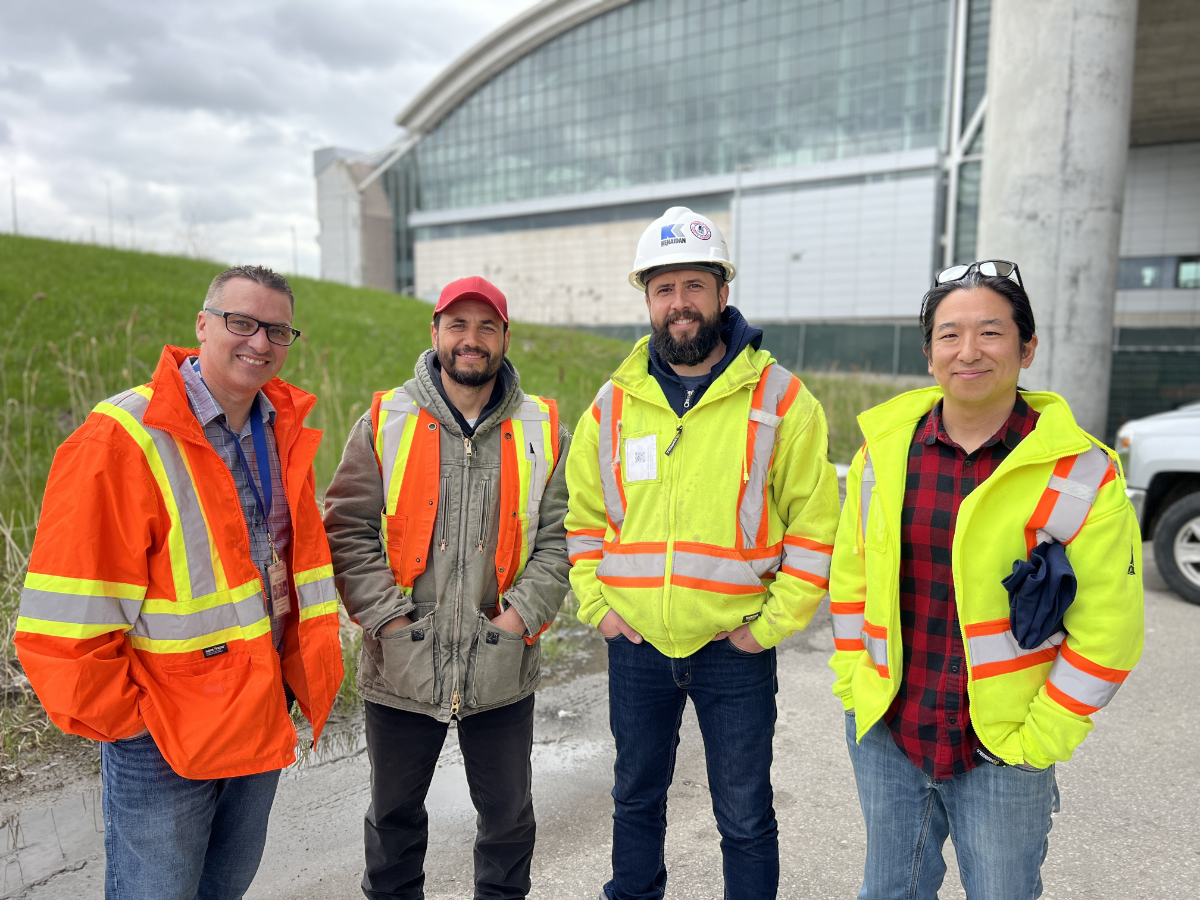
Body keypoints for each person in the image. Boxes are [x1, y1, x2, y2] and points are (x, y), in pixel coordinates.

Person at [14, 265, 344, 899]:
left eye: (277, 330)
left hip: (260, 705)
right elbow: (64, 613)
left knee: (225, 887)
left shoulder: (280, 428)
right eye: (241, 322)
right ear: (202, 325)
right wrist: (133, 723)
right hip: (165, 730)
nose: (259, 342)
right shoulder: (121, 436)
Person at [829, 260, 1144, 900]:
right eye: (949, 335)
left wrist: (1041, 738)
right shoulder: (882, 454)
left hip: (1004, 748)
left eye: (991, 333)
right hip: (891, 732)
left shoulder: (1082, 472)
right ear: (929, 354)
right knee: (889, 890)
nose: (968, 351)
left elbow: (1110, 633)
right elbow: (852, 579)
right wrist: (854, 687)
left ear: (1027, 348)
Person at [565, 207, 841, 900]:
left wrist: (770, 628)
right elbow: (584, 519)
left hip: (734, 648)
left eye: (694, 285)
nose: (679, 303)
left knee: (744, 815)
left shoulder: (782, 400)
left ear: (722, 292)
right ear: (648, 300)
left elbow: (814, 526)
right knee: (634, 800)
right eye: (663, 289)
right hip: (636, 644)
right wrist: (598, 608)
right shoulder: (612, 404)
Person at [323, 275, 571, 900]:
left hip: (501, 665)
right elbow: (347, 528)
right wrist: (388, 621)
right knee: (393, 825)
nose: (472, 339)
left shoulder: (543, 428)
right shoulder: (386, 419)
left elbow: (561, 539)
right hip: (401, 665)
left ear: (505, 338)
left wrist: (516, 620)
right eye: (457, 325)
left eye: (487, 326)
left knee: (508, 825)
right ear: (434, 333)